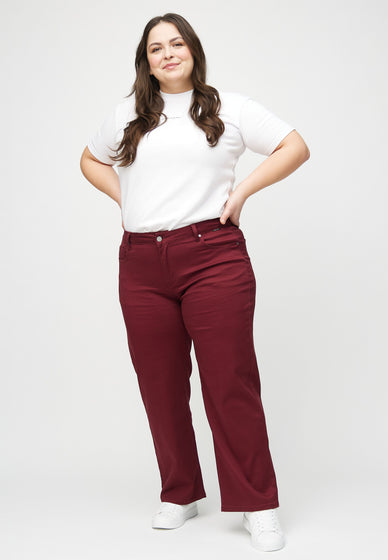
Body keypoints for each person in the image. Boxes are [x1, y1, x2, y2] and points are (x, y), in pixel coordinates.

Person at [80, 12, 310, 553]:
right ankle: (180, 491)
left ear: (192, 50)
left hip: (213, 256)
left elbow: (294, 146)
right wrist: (126, 200)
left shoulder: (229, 107)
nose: (167, 53)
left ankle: (257, 503)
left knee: (229, 382)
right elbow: (90, 160)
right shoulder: (129, 115)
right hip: (141, 262)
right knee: (159, 384)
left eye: (176, 43)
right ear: (146, 61)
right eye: (156, 47)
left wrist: (241, 191)